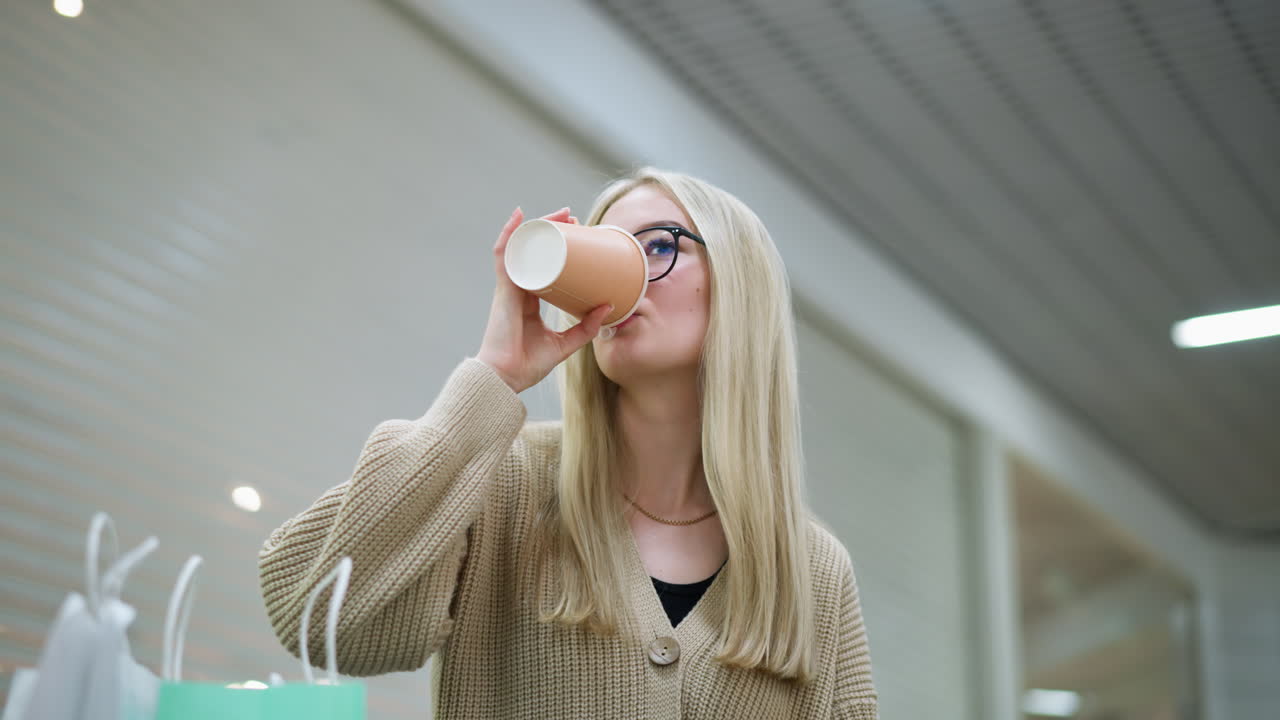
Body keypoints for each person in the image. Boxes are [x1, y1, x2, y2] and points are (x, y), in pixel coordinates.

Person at [258, 167, 880, 719]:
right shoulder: (506, 481)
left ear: (740, 288)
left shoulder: (813, 572)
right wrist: (493, 377)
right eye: (607, 254)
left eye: (659, 246)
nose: (623, 284)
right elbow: (320, 619)